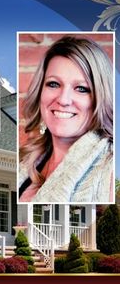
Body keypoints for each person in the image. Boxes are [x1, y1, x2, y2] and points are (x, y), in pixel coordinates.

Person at [19, 35, 113, 203]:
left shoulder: (110, 166)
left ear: (100, 97)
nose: (63, 100)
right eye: (54, 84)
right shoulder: (26, 159)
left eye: (82, 88)